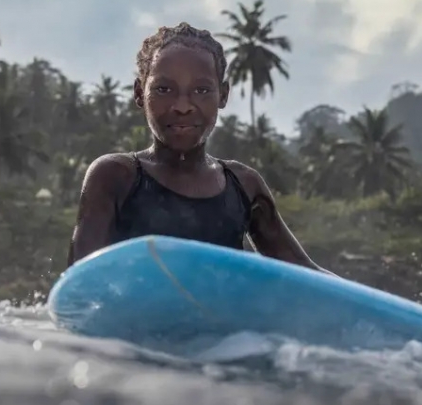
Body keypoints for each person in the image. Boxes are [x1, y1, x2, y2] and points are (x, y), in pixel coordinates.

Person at [67, 22, 335, 276]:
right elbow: (80, 283)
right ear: (139, 92)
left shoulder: (244, 185)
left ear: (223, 95)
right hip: (132, 324)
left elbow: (303, 271)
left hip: (227, 326)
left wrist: (373, 305)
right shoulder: (115, 176)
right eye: (163, 89)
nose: (183, 106)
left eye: (201, 90)